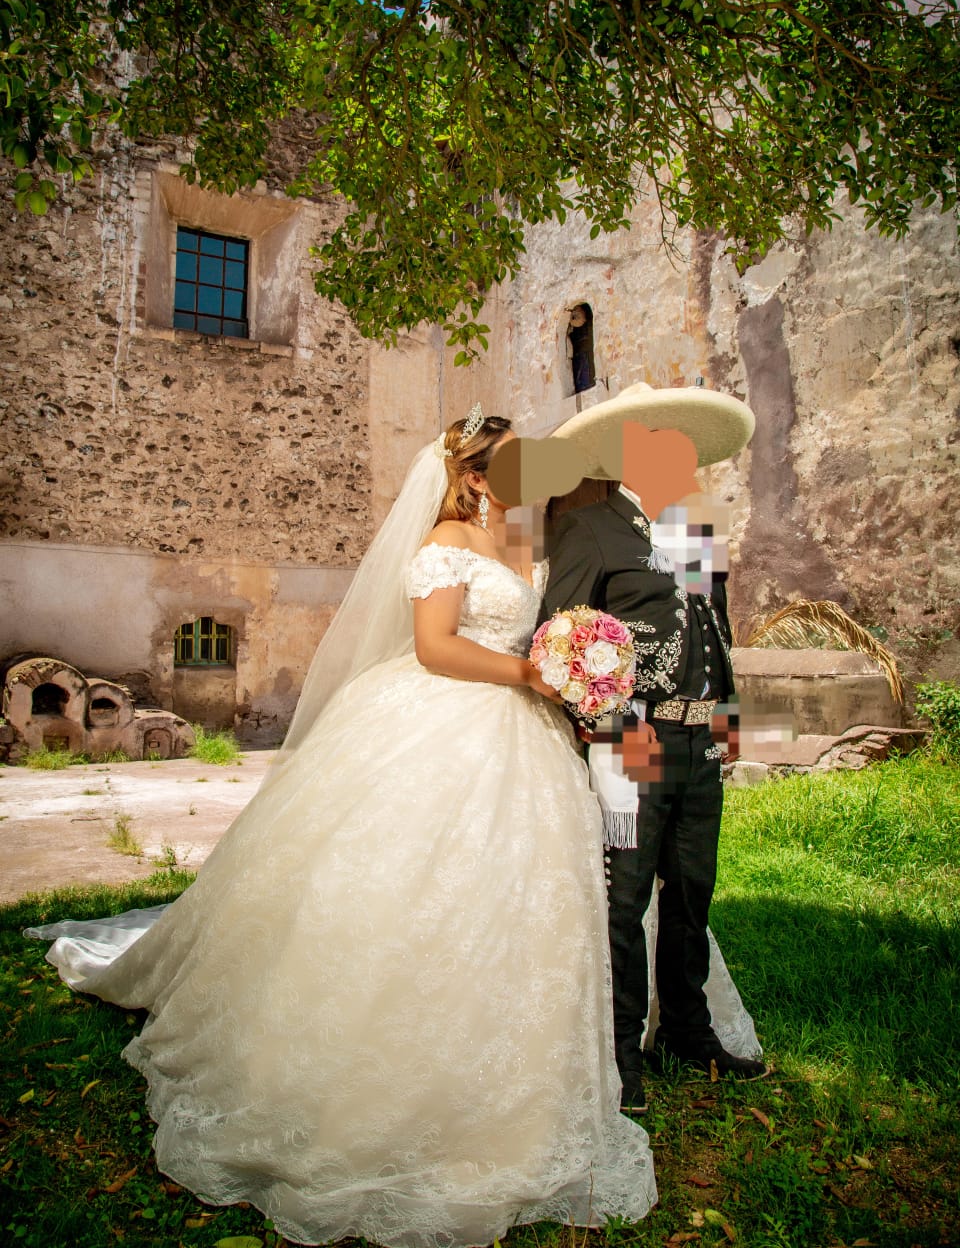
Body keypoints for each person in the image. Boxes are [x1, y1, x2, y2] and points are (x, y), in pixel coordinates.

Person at [27, 408, 657, 1248]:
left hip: (519, 732)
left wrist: (568, 665)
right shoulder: (444, 537)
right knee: (405, 887)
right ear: (474, 475)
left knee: (508, 899)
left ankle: (508, 1085)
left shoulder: (511, 544)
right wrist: (534, 674)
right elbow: (435, 646)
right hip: (450, 720)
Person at [542, 383, 768, 1113]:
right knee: (626, 897)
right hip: (632, 736)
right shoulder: (591, 528)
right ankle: (618, 1053)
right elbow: (560, 634)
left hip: (700, 740)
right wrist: (599, 718)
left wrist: (728, 722)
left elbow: (718, 631)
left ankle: (688, 1032)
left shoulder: (697, 530)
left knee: (692, 891)